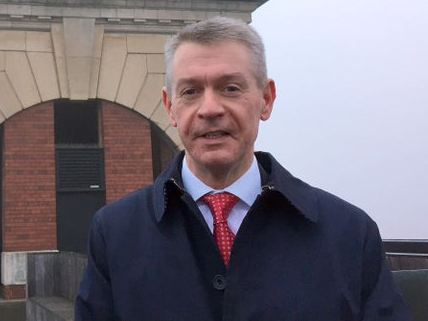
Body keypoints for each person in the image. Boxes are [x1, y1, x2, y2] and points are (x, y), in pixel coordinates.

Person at [75, 16, 409, 320]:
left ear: (266, 99)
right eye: (190, 91)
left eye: (230, 88)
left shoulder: (350, 234)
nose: (209, 108)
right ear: (170, 107)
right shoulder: (114, 233)